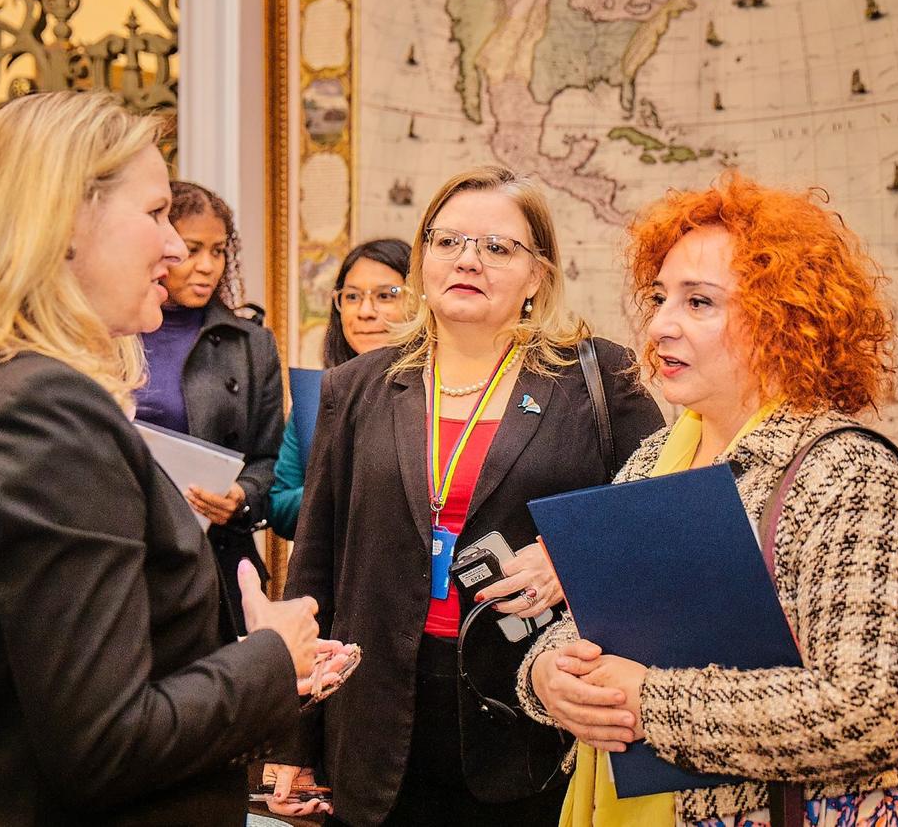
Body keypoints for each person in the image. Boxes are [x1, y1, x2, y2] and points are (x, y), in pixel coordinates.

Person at [0, 91, 338, 826]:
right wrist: (269, 657)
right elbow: (106, 743)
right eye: (156, 213)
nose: (174, 247)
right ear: (63, 223)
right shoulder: (44, 414)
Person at [519, 173, 898, 826]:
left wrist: (650, 701)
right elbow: (587, 626)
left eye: (699, 302)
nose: (660, 325)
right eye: (660, 297)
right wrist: (548, 676)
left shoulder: (852, 476)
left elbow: (874, 710)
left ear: (786, 320)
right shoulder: (651, 461)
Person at [268, 165, 665, 825]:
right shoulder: (358, 386)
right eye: (447, 241)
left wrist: (572, 556)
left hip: (536, 713)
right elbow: (316, 565)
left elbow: (663, 523)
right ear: (423, 258)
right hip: (372, 715)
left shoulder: (598, 380)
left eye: (497, 247)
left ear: (537, 274)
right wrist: (296, 733)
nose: (467, 260)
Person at [134, 180, 283, 630]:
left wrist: (241, 497)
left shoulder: (251, 343)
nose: (207, 266)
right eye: (191, 250)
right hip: (130, 554)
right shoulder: (113, 332)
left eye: (218, 251)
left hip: (215, 560)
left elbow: (271, 459)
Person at [268, 238, 411, 540]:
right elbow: (279, 507)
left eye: (386, 296)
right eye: (352, 297)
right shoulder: (317, 396)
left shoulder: (441, 395)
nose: (365, 311)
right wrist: (342, 485)